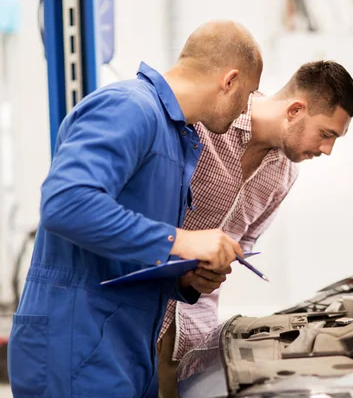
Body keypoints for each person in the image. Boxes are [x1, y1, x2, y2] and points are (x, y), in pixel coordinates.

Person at [8, 20, 263, 398]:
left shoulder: (176, 138)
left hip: (122, 350)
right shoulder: (128, 107)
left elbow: (121, 249)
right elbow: (65, 203)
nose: (246, 108)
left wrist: (182, 279)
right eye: (249, 94)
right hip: (76, 348)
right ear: (229, 79)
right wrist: (181, 241)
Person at [156, 60, 353, 397]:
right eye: (326, 134)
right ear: (295, 109)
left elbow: (244, 243)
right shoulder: (207, 123)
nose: (327, 150)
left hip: (193, 336)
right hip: (138, 317)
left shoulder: (283, 175)